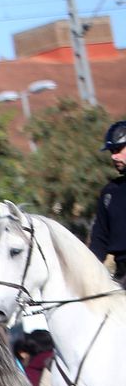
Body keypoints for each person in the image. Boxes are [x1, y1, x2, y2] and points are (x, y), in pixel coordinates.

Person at [87, 119, 126, 284]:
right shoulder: (109, 192)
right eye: (111, 151)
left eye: (118, 149)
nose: (114, 156)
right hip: (121, 276)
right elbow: (99, 241)